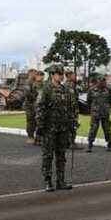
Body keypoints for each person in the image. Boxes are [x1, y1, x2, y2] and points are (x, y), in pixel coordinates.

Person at [36, 64, 75, 192]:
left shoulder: (66, 90)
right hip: (49, 128)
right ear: (52, 75)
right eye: (58, 74)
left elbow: (70, 107)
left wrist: (72, 123)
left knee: (61, 155)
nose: (61, 76)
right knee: (48, 155)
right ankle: (48, 181)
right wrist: (40, 126)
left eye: (62, 73)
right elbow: (40, 108)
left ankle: (60, 181)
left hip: (63, 128)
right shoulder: (46, 89)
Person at [87, 74, 111, 152]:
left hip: (105, 113)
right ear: (98, 82)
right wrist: (93, 109)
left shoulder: (108, 90)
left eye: (104, 81)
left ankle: (110, 144)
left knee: (107, 129)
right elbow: (88, 101)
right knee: (93, 129)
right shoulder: (91, 90)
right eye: (101, 81)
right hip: (95, 114)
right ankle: (90, 144)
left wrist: (107, 108)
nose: (103, 83)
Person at [24, 70, 41, 145]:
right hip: (30, 105)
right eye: (34, 73)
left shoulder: (37, 82)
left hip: (37, 104)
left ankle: (38, 137)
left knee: (38, 121)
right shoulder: (28, 82)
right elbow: (27, 93)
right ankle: (30, 136)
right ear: (30, 74)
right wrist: (36, 96)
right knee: (31, 121)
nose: (36, 75)